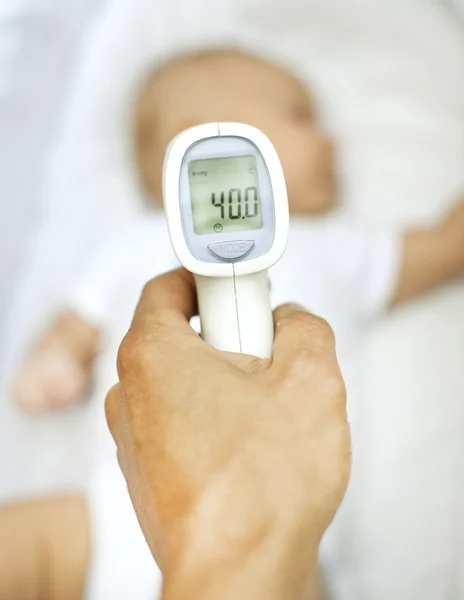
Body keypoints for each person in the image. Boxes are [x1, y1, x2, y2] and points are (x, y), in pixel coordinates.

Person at [9, 49, 464, 599]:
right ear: (198, 143)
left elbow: (443, 248)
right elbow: (76, 324)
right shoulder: (128, 243)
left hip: (285, 532)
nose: (331, 141)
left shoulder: (337, 247)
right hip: (118, 511)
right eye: (301, 115)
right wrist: (54, 360)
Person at [105, 268, 351, 600]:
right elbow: (76, 317)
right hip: (129, 486)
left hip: (262, 519)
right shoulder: (124, 246)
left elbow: (433, 249)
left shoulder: (338, 248)